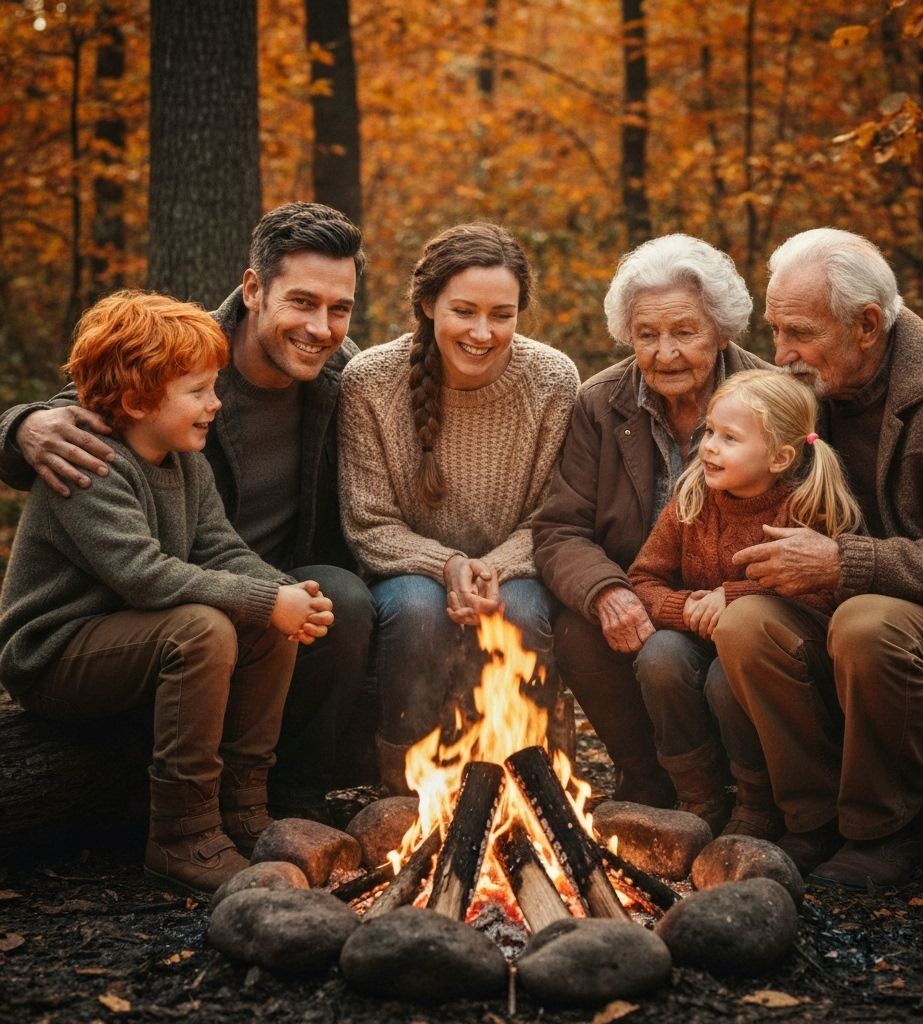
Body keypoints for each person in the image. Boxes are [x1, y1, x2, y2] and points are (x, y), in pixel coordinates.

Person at [0, 203, 375, 817]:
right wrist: (20, 426)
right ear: (253, 289)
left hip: (249, 583)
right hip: (145, 605)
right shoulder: (182, 356)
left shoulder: (343, 369)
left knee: (340, 600)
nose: (322, 326)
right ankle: (179, 814)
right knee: (208, 629)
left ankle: (286, 800)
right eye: (302, 302)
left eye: (340, 308)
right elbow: (91, 405)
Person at [713, 227, 923, 888]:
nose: (780, 354)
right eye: (774, 331)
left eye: (799, 333)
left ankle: (884, 833)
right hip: (840, 608)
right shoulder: (796, 396)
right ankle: (813, 822)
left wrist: (844, 564)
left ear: (867, 325)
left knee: (868, 624)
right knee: (745, 626)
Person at [0, 291, 334, 893]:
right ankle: (182, 834)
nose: (216, 403)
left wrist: (284, 594)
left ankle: (244, 805)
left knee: (265, 619)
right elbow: (144, 574)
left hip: (133, 634)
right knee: (204, 627)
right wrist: (261, 599)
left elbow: (219, 548)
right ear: (136, 399)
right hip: (57, 653)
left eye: (214, 386)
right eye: (199, 391)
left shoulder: (185, 463)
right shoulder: (92, 465)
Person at [339, 222, 580, 793]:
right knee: (418, 611)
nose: (482, 331)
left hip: (515, 568)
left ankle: (534, 781)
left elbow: (552, 516)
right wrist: (448, 565)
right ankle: (405, 784)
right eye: (464, 311)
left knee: (519, 612)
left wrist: (491, 569)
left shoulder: (552, 379)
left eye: (503, 314)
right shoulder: (370, 381)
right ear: (427, 304)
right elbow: (368, 521)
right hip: (410, 572)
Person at [532, 233, 770, 807]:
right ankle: (647, 779)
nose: (665, 354)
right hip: (648, 601)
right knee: (578, 626)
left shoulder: (772, 400)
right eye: (647, 335)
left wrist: (736, 597)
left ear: (721, 329)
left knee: (708, 664)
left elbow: (809, 525)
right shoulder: (600, 403)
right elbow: (560, 528)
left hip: (746, 603)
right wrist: (608, 591)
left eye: (684, 332)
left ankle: (756, 795)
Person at [628, 369, 860, 836]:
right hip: (700, 638)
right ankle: (699, 798)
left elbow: (824, 597)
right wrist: (687, 607)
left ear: (779, 457)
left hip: (770, 656)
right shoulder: (692, 500)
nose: (710, 446)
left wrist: (729, 598)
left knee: (722, 678)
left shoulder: (804, 509)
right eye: (710, 431)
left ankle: (757, 803)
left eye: (730, 438)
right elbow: (643, 579)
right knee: (660, 657)